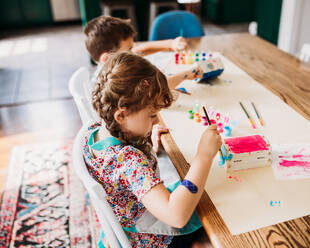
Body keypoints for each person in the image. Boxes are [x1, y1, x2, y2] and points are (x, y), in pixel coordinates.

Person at [82, 52, 221, 247]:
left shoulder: (97, 129)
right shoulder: (128, 161)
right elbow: (176, 216)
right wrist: (203, 157)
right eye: (152, 115)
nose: (156, 120)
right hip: (151, 239)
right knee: (219, 216)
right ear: (121, 115)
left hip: (131, 220)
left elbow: (124, 178)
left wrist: (147, 144)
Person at [83, 16, 202, 90]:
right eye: (129, 49)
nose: (133, 52)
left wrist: (171, 44)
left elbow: (139, 50)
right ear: (106, 58)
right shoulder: (116, 83)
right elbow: (157, 88)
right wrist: (185, 74)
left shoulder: (110, 64)